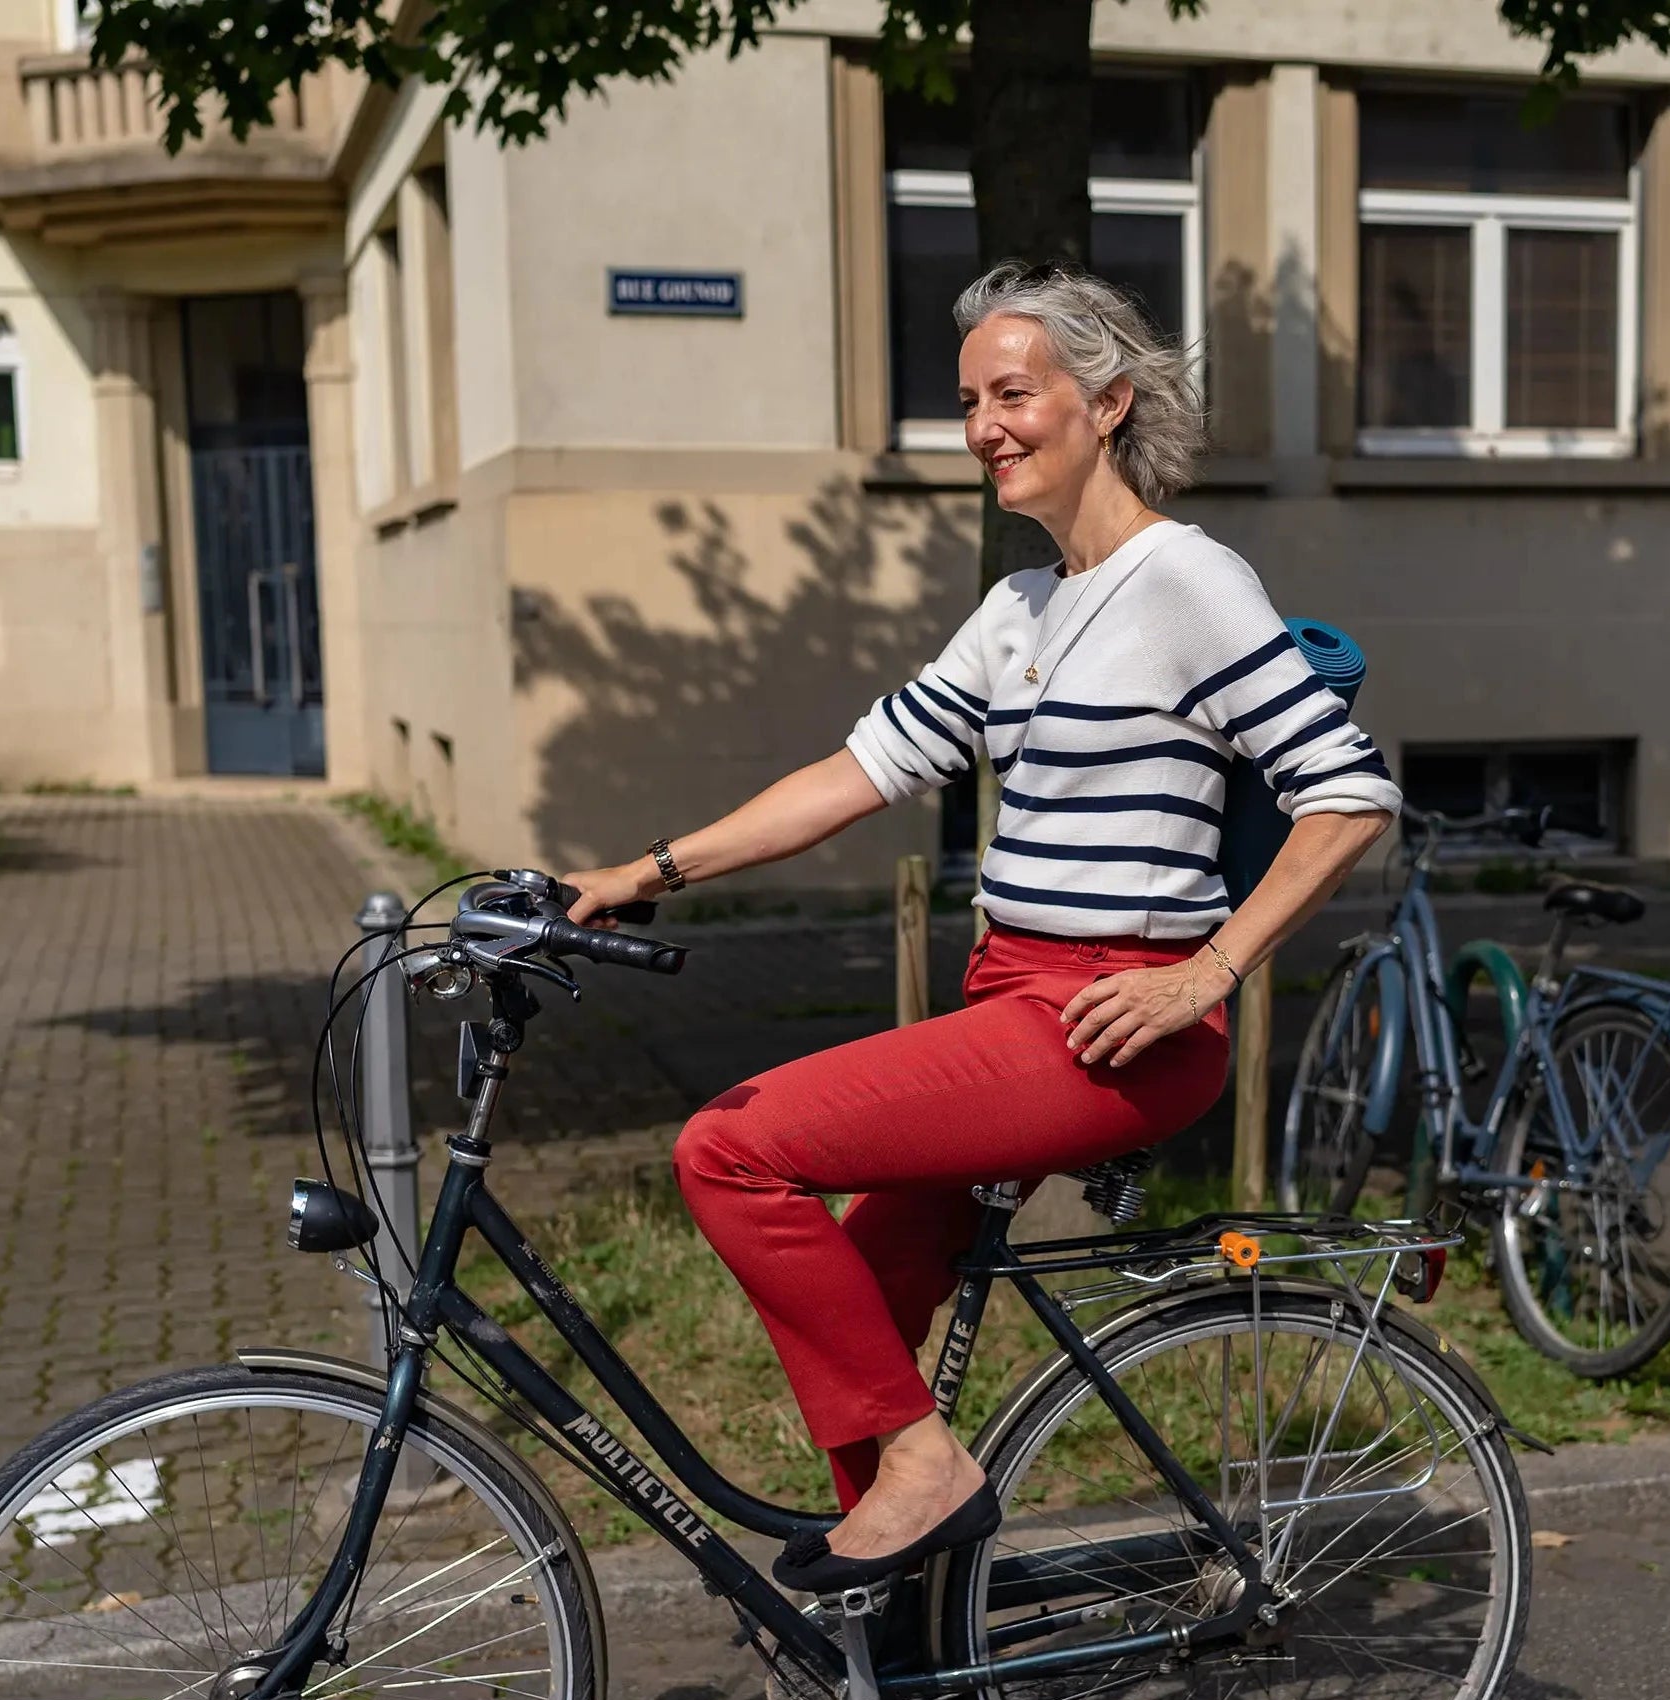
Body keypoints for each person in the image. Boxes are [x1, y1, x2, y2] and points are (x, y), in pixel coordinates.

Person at [566, 259, 1400, 1592]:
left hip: (1112, 1020)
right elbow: (856, 775)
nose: (984, 427)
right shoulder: (1020, 608)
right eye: (968, 402)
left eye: (1014, 394)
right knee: (863, 1299)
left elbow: (1348, 799)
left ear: (1109, 402)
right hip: (1010, 1000)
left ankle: (926, 1480)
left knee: (729, 1151)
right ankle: (895, 1637)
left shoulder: (1186, 582)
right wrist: (647, 867)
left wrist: (1209, 976)